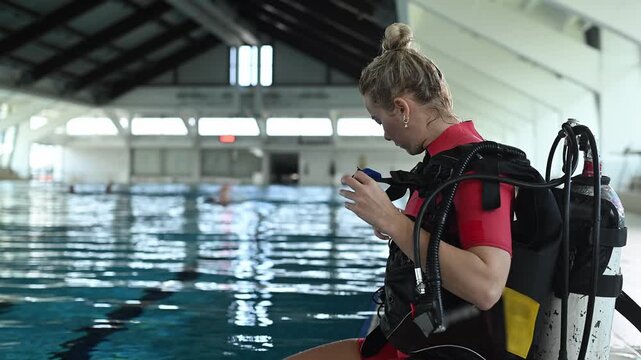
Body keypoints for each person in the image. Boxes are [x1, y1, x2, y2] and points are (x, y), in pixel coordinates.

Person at [286, 22, 514, 359]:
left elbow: (486, 287)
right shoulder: (439, 165)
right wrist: (395, 227)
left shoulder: (478, 168)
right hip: (413, 340)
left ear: (402, 109)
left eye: (380, 121)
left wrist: (393, 220)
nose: (385, 135)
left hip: (451, 348)